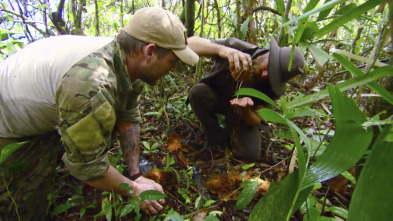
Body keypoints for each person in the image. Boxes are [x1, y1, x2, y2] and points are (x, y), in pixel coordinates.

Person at [0, 7, 250, 219]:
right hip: (8, 126)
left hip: (42, 108)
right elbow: (86, 167)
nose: (173, 70)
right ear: (150, 52)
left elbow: (128, 115)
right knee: (22, 207)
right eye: (172, 62)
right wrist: (133, 190)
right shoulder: (92, 85)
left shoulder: (125, 58)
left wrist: (135, 173)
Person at [188, 37, 305, 162]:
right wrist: (223, 50)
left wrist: (245, 110)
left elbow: (255, 119)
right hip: (216, 98)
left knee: (250, 154)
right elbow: (188, 43)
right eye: (269, 67)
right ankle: (216, 139)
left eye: (273, 75)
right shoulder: (238, 47)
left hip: (241, 114)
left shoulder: (271, 87)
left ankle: (232, 134)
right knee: (197, 92)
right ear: (269, 53)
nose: (265, 74)